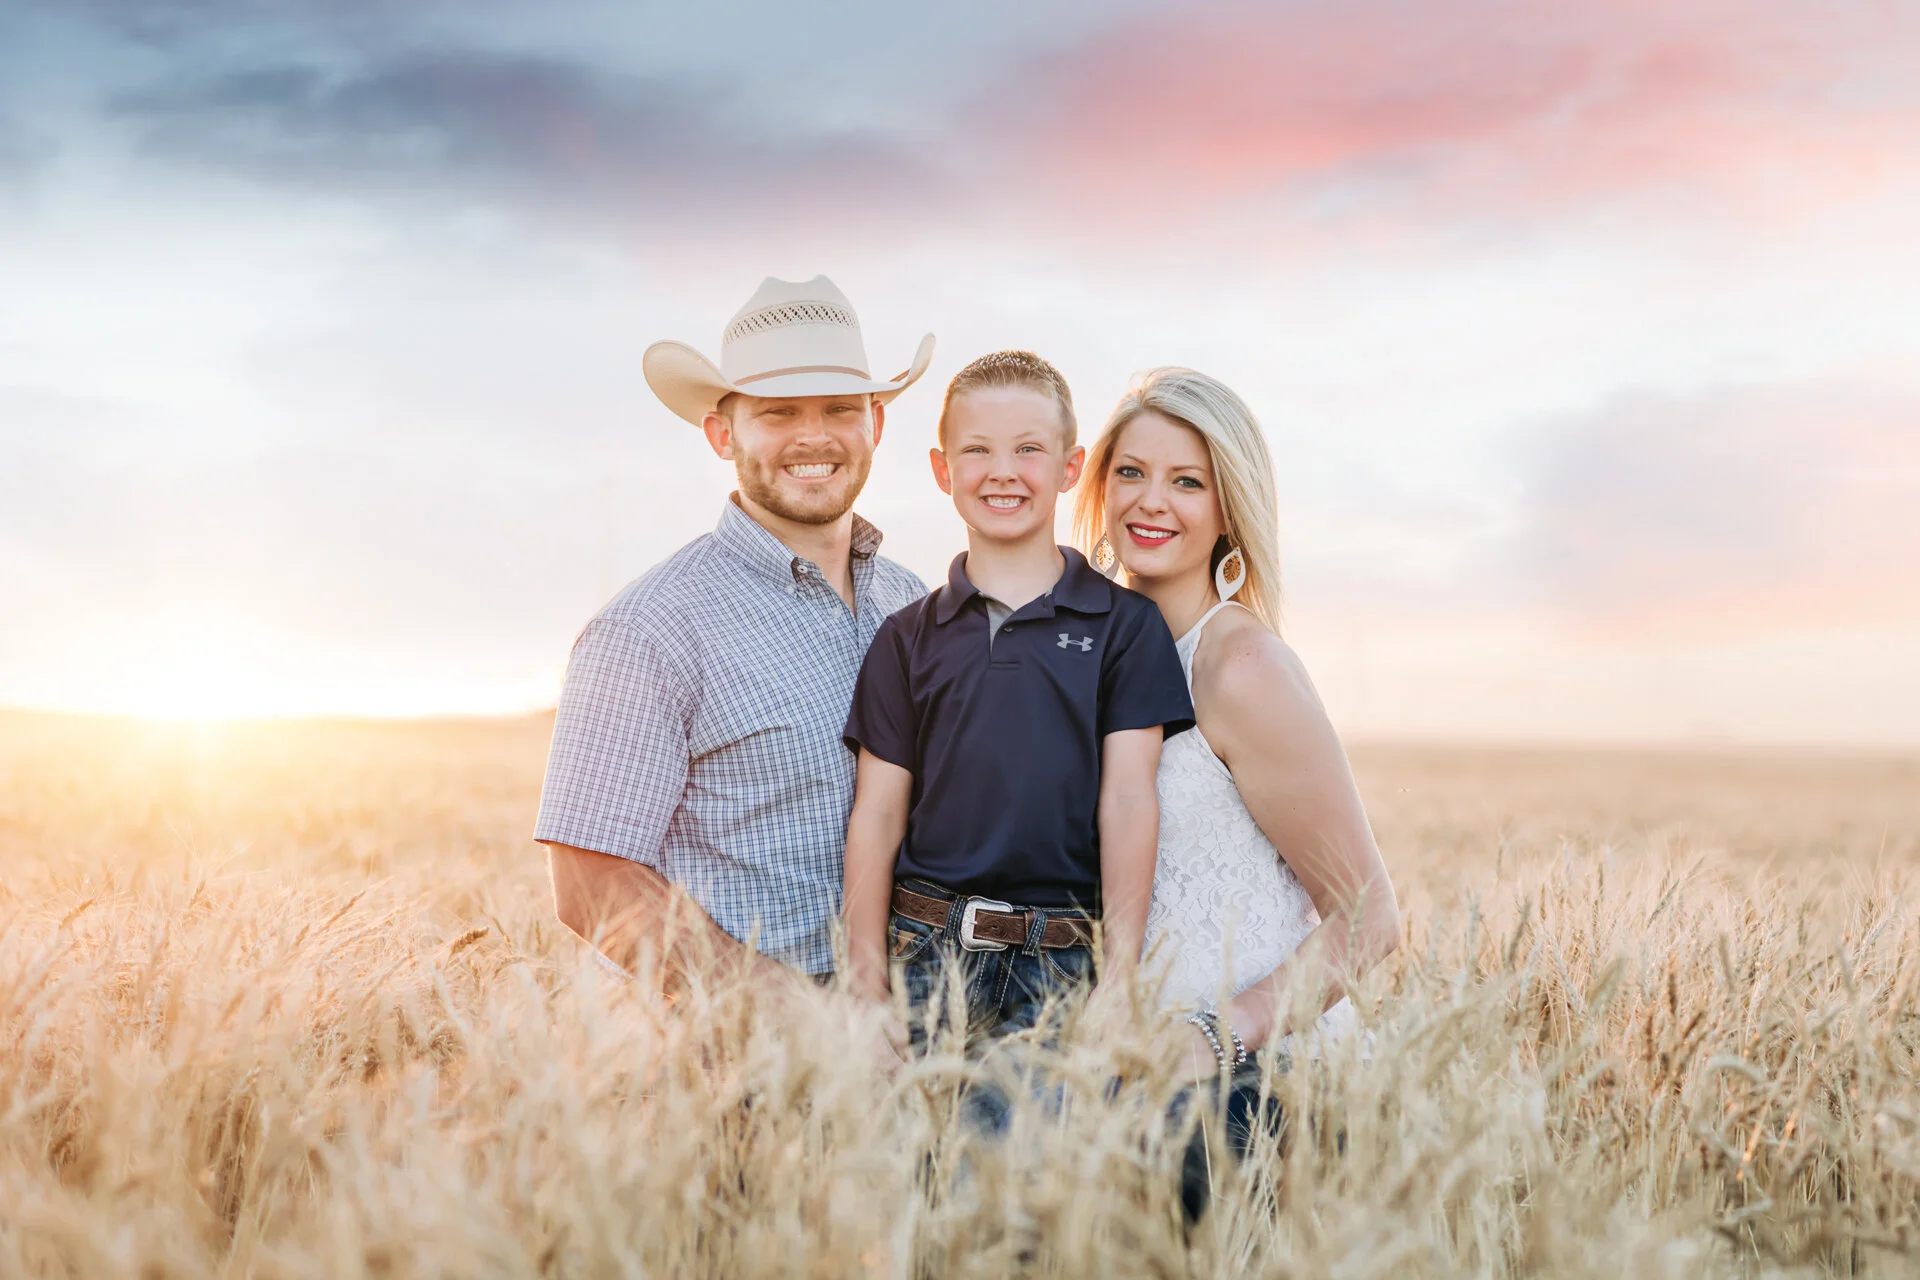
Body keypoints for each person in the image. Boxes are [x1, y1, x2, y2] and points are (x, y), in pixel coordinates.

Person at [534, 275, 934, 1006]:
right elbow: (591, 883)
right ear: (724, 434)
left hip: (914, 1039)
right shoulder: (649, 627)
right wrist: (802, 1024)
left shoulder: (916, 602)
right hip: (734, 1074)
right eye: (779, 413)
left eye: (840, 409)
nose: (814, 437)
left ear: (876, 421)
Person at [840, 351, 1195, 1050]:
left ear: (1070, 467)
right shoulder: (905, 637)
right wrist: (866, 987)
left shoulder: (1125, 627)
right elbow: (878, 813)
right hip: (925, 953)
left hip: (1061, 966)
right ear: (944, 471)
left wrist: (1119, 982)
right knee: (916, 1157)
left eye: (1028, 449)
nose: (1003, 471)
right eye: (978, 450)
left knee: (1040, 1159)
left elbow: (1129, 801)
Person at [1071, 367, 1401, 1076]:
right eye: (1130, 472)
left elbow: (1368, 917)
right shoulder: (1078, 657)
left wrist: (1215, 1038)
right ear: (1100, 487)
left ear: (1229, 508)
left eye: (1187, 481)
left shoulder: (1242, 670)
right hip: (1110, 1087)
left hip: (1256, 1090)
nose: (1150, 502)